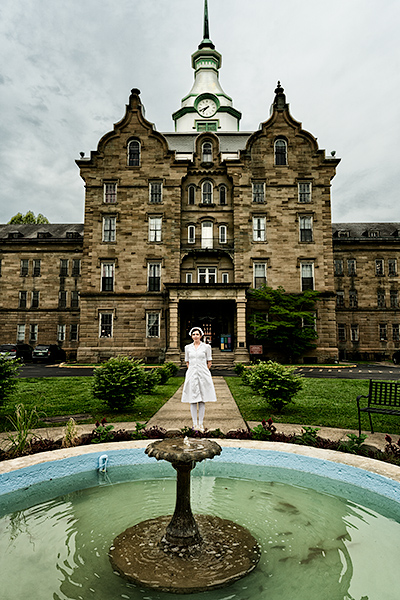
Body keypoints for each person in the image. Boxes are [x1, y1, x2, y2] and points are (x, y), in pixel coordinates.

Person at [181, 326, 217, 431]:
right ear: (191, 336)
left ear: (201, 335)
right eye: (193, 334)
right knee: (192, 399)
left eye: (197, 334)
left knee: (202, 399)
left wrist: (203, 371)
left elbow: (209, 362)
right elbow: (187, 362)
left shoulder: (206, 347)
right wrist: (192, 371)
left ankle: (200, 424)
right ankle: (194, 424)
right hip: (192, 374)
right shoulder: (187, 348)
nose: (195, 336)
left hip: (203, 374)